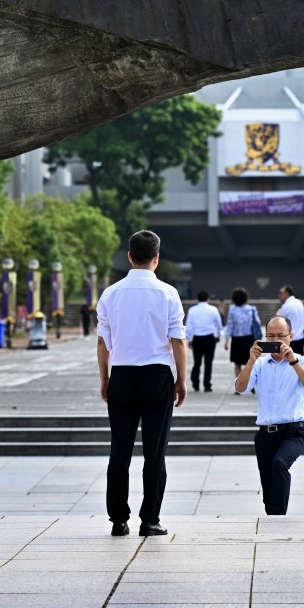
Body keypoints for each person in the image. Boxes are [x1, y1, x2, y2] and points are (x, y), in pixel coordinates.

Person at [96, 230, 187, 537]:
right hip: (157, 377)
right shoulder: (168, 293)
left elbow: (102, 343)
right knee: (155, 452)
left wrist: (105, 378)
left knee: (119, 451)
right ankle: (150, 519)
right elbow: (178, 341)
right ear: (157, 258)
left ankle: (118, 520)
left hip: (121, 375)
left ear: (130, 257)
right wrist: (182, 380)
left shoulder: (111, 293)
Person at [235, 315, 304, 515]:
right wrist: (250, 360)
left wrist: (293, 362)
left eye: (280, 336)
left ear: (291, 336)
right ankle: (272, 517)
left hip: (293, 432)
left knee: (279, 464)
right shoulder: (260, 364)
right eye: (270, 336)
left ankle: (278, 519)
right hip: (265, 434)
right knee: (268, 486)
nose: (275, 342)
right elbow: (240, 388)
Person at [224, 287, 261, 390]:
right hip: (249, 338)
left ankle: (239, 385)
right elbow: (257, 324)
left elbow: (230, 325)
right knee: (250, 361)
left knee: (237, 363)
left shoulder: (232, 309)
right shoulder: (251, 309)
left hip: (236, 339)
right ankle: (250, 383)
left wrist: (227, 341)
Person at [185, 290, 222, 393]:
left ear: (198, 299)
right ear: (208, 299)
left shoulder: (192, 310)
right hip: (210, 338)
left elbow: (189, 326)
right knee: (208, 362)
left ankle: (195, 383)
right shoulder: (213, 309)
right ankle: (207, 385)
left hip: (197, 339)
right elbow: (218, 324)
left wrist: (189, 339)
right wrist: (219, 334)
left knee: (197, 362)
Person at [276, 285, 304, 354]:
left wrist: (277, 314)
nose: (279, 295)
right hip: (300, 337)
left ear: (287, 293)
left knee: (289, 362)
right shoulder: (299, 302)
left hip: (290, 340)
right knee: (299, 361)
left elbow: (278, 323)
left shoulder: (286, 306)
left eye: (281, 293)